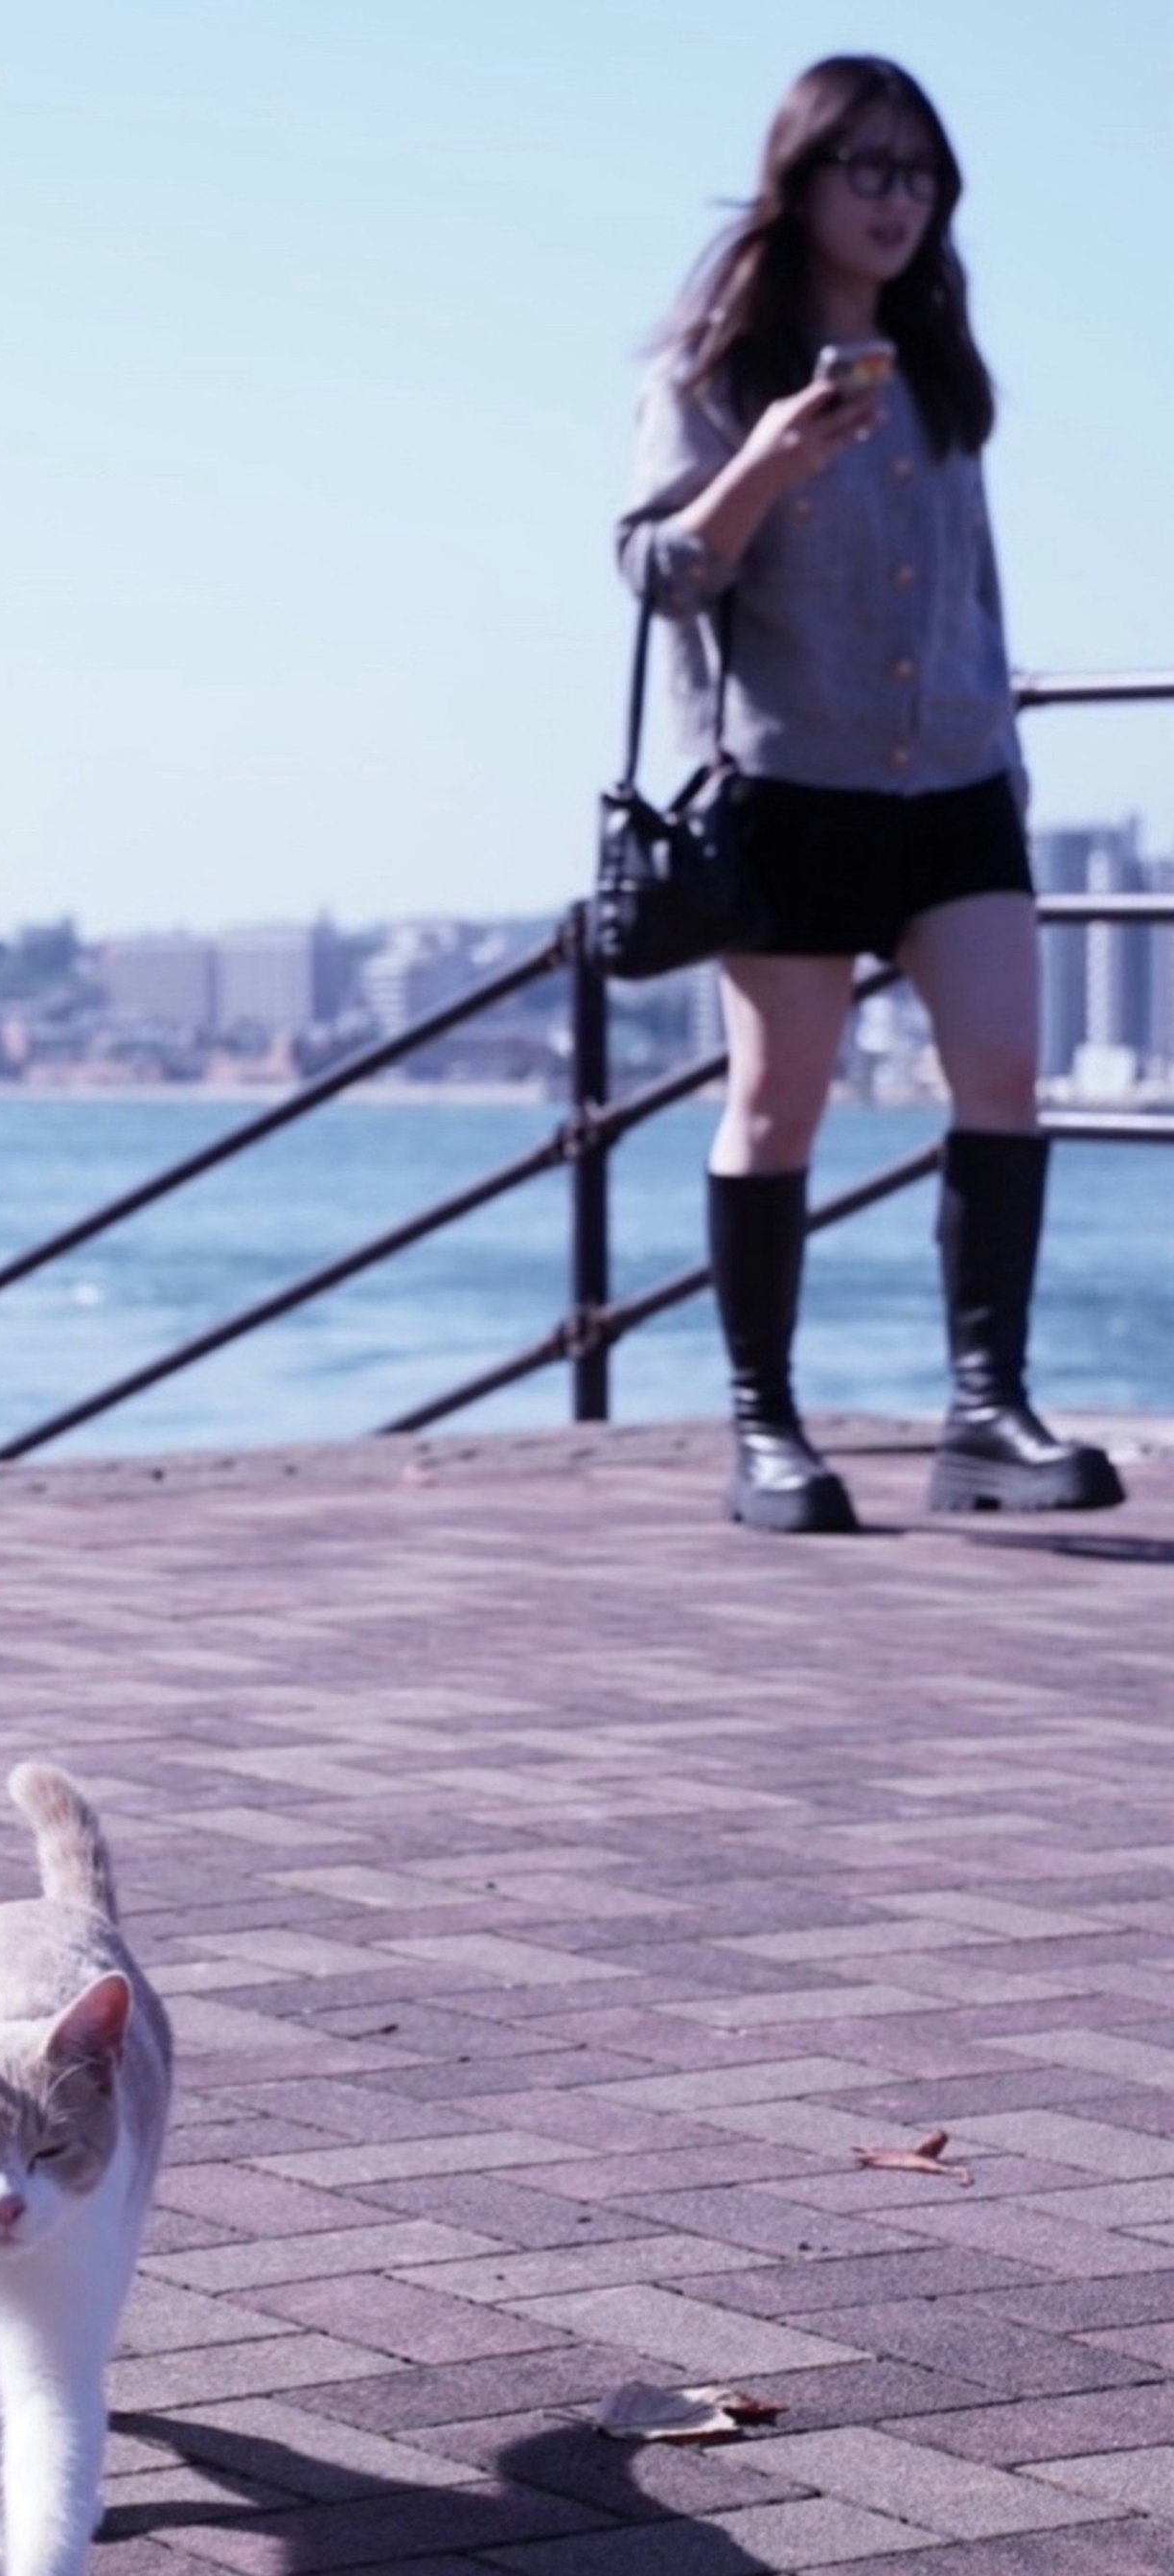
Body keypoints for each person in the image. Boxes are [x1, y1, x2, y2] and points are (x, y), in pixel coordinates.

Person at [616, 53, 1122, 1533]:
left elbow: (976, 582)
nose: (899, 200)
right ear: (802, 183)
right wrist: (764, 465)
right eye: (871, 169)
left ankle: (987, 1413)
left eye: (922, 175)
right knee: (778, 1110)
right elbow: (657, 571)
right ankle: (765, 1429)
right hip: (793, 786)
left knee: (1005, 1077)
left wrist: (1006, 752)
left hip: (958, 780)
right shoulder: (712, 378)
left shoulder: (942, 371)